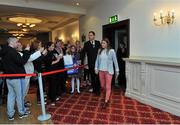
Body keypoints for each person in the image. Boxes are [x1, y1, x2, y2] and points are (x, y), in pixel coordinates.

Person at [0, 37, 30, 120]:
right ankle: (21, 113)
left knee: (11, 96)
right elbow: (21, 62)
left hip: (9, 78)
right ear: (12, 42)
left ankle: (10, 114)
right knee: (19, 96)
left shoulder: (3, 51)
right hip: (17, 77)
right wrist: (27, 51)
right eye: (17, 42)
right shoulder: (12, 51)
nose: (18, 44)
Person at [95, 38, 119, 109]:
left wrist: (117, 71)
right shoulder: (99, 51)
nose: (102, 44)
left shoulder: (111, 51)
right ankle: (107, 95)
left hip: (109, 71)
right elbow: (97, 60)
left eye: (104, 43)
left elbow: (115, 61)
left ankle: (106, 101)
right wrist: (96, 68)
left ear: (107, 44)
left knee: (108, 86)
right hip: (101, 71)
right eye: (102, 43)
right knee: (102, 86)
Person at [81, 31, 101, 96]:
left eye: (91, 35)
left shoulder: (98, 43)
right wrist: (81, 61)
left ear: (94, 36)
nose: (90, 36)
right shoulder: (86, 44)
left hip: (98, 63)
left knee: (97, 77)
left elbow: (101, 51)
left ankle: (98, 89)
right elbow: (83, 53)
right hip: (91, 63)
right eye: (89, 35)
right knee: (92, 77)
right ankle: (94, 89)